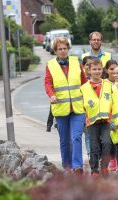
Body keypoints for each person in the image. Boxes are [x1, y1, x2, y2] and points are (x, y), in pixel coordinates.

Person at [44, 37, 87, 175]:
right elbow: (48, 83)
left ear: (68, 49)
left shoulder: (76, 62)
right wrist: (51, 95)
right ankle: (67, 166)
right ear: (55, 51)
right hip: (61, 108)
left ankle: (77, 166)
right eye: (60, 49)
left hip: (78, 108)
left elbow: (84, 83)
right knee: (64, 140)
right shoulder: (50, 65)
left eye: (65, 48)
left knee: (76, 137)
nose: (63, 51)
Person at [81, 57, 118, 177]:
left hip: (106, 121)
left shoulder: (109, 85)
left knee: (106, 143)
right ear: (89, 71)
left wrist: (116, 121)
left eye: (99, 69)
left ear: (102, 70)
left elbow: (116, 103)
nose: (97, 71)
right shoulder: (84, 88)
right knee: (94, 147)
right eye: (94, 69)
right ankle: (94, 170)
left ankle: (104, 166)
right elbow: (81, 105)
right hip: (92, 122)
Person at [102, 59, 118, 171]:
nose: (113, 72)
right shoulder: (104, 83)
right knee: (109, 139)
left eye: (115, 69)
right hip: (108, 114)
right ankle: (112, 159)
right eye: (111, 69)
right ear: (107, 71)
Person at [82, 56, 94, 160]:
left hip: (93, 111)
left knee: (91, 134)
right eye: (87, 65)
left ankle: (93, 154)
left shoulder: (98, 79)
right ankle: (91, 154)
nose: (89, 67)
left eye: (92, 65)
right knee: (87, 134)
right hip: (80, 111)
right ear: (83, 66)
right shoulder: (79, 79)